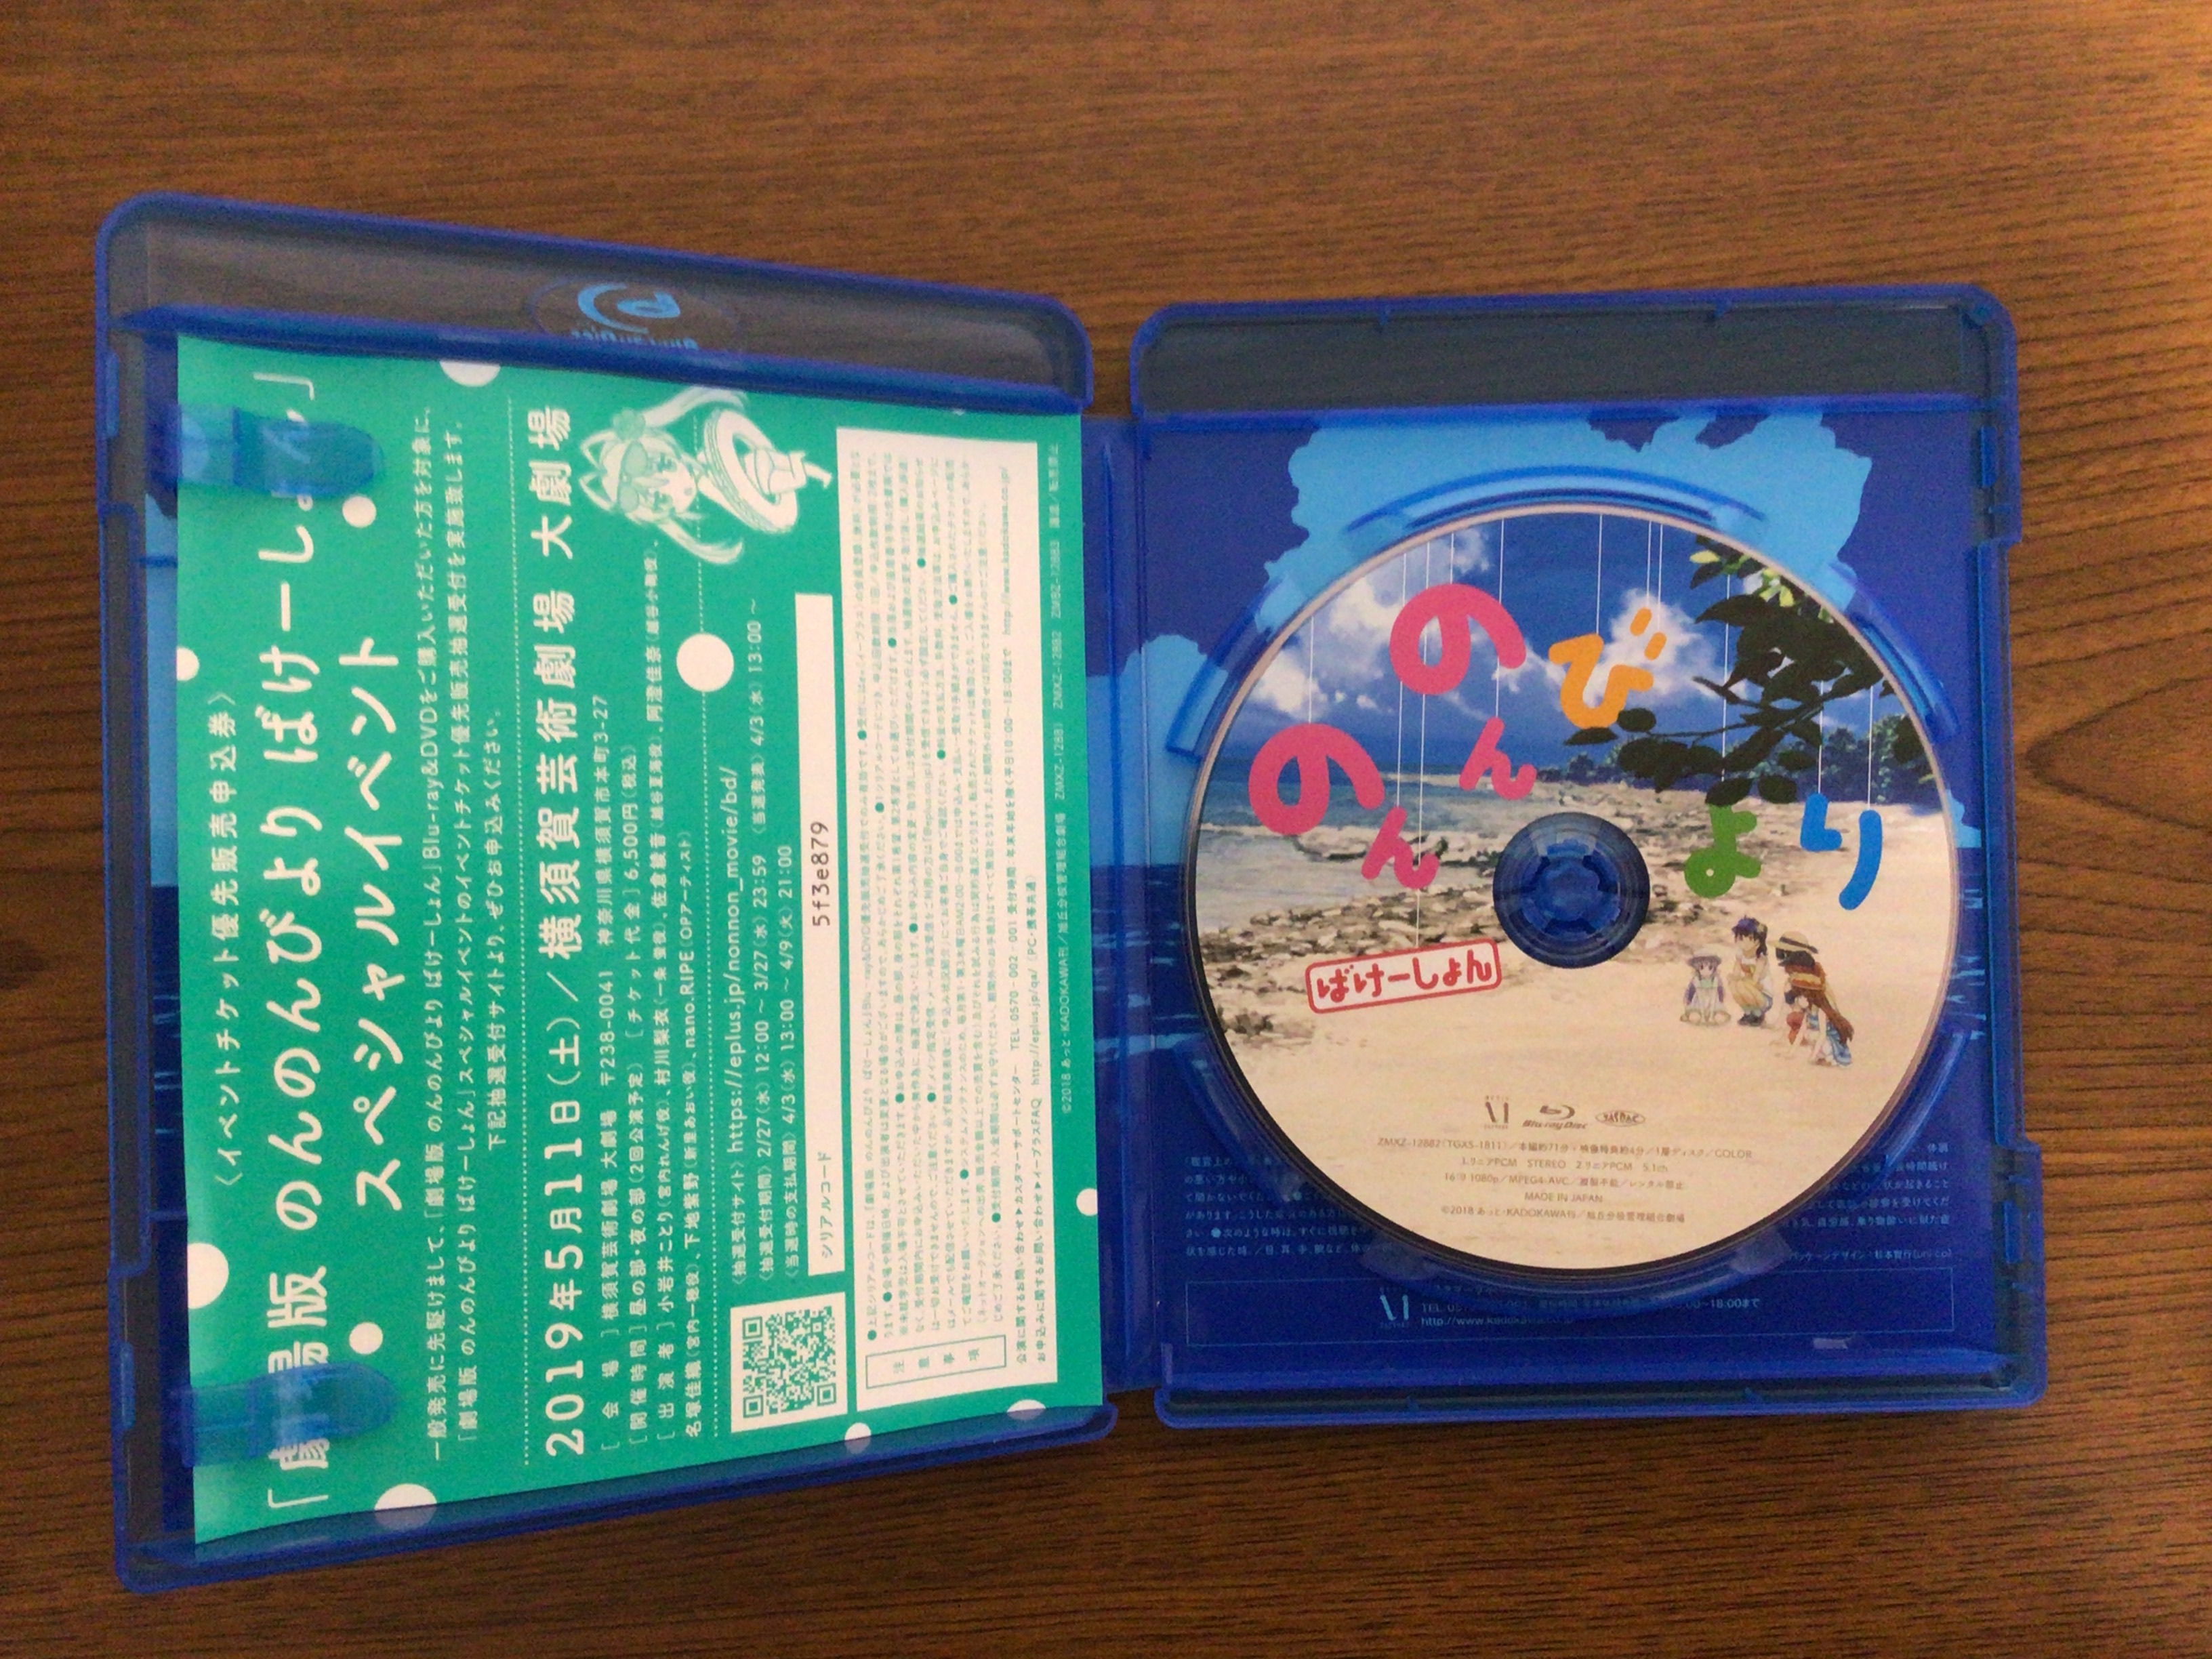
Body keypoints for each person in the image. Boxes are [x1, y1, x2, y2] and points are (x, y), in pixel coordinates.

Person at [578, 386, 831, 564]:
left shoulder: (711, 445)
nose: (674, 485)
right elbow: (756, 510)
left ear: (667, 448)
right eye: (659, 499)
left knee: (788, 470)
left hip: (765, 463)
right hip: (768, 491)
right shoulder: (711, 496)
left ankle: (806, 471)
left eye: (664, 464)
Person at [1775, 933, 1853, 1066]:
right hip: (1812, 1019)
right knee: (1803, 1031)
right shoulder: (1798, 983)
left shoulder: (1814, 980)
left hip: (1827, 1036)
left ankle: (1828, 1056)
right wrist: (1789, 1052)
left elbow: (1829, 1007)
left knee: (1813, 1034)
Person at [1726, 916, 1773, 1026]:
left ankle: (1758, 1014)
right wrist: (1734, 978)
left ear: (1756, 941)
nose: (1739, 941)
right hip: (1750, 989)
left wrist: (1742, 981)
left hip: (1763, 996)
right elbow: (1736, 971)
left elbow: (1756, 980)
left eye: (1743, 938)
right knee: (1734, 985)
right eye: (1738, 938)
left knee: (1741, 985)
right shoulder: (1741, 955)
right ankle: (1748, 1012)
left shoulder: (1760, 959)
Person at [1680, 954, 1729, 1025]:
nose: (1706, 971)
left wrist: (1711, 1016)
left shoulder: (1715, 980)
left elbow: (1714, 997)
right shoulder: (1697, 980)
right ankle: (1700, 1016)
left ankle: (1712, 1016)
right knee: (1694, 1018)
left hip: (1713, 1004)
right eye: (1702, 967)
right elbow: (1699, 997)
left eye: (1710, 968)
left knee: (1719, 1018)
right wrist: (1703, 1017)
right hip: (1699, 1004)